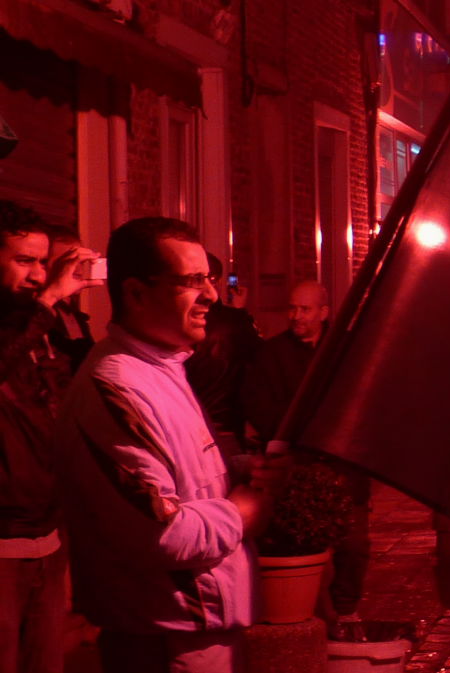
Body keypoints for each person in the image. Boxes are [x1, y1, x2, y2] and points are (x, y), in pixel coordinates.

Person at [54, 217, 283, 673]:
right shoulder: (116, 387)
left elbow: (179, 475)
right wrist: (241, 513)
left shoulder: (163, 367)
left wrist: (238, 471)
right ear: (137, 293)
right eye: (192, 282)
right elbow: (161, 532)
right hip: (167, 632)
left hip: (194, 623)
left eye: (210, 279)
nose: (211, 296)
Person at [1, 201, 97, 673]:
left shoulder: (40, 324)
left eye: (43, 262)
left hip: (46, 530)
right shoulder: (26, 320)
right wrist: (45, 305)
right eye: (24, 261)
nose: (38, 275)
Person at [241, 280, 369, 621]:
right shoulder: (273, 354)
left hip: (343, 463)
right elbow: (259, 404)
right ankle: (304, 610)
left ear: (323, 313)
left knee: (353, 545)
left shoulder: (345, 351)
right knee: (296, 542)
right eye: (292, 308)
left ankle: (345, 610)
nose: (296, 316)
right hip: (297, 463)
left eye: (305, 309)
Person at [185, 254, 261, 456]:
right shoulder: (235, 323)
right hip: (225, 428)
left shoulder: (181, 325)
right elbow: (257, 364)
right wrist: (240, 313)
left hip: (190, 427)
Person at [42, 225, 97, 365]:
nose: (77, 270)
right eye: (67, 262)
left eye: (80, 262)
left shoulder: (73, 315)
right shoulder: (33, 313)